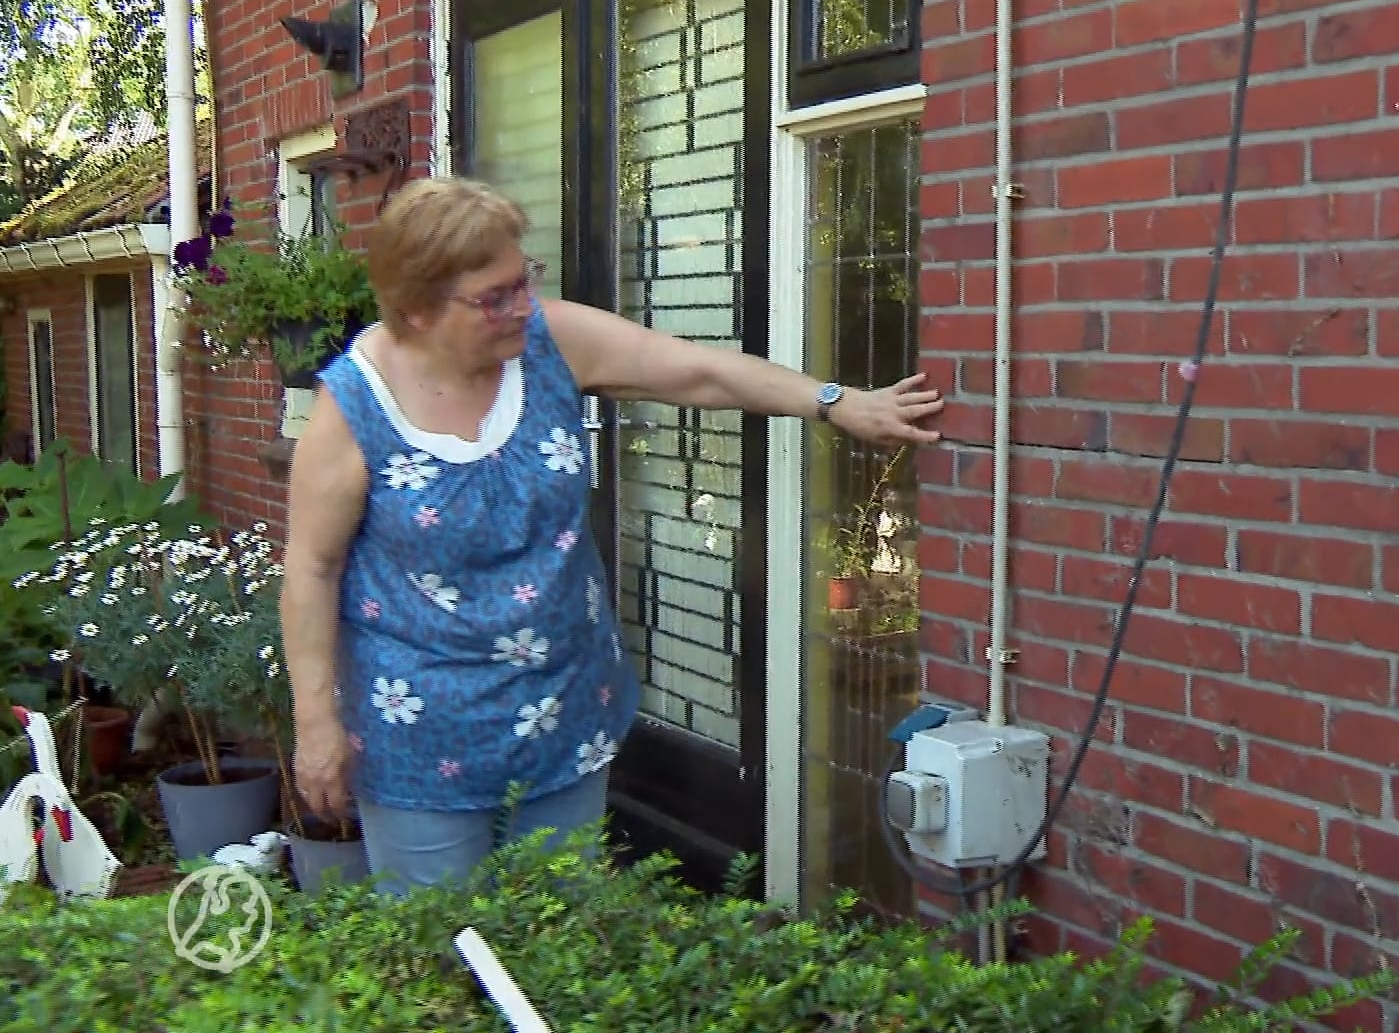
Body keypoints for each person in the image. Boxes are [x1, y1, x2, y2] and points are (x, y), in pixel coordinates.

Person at [280, 176, 943, 895]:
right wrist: (316, 722)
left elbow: (695, 372)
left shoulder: (548, 344)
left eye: (524, 279)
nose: (522, 305)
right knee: (440, 943)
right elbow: (312, 568)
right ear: (416, 309)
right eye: (494, 297)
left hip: (565, 709)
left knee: (566, 928)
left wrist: (834, 402)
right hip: (420, 735)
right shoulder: (356, 406)